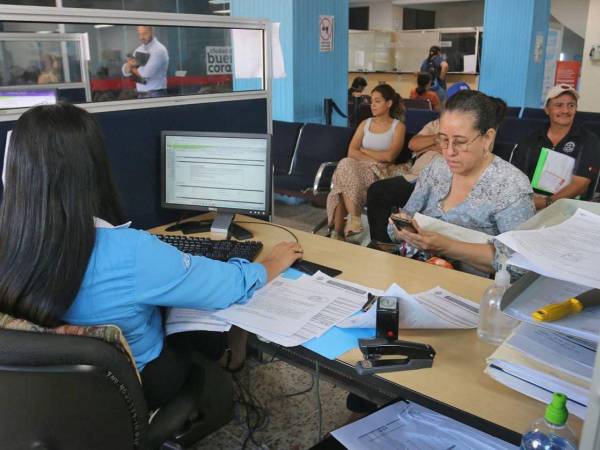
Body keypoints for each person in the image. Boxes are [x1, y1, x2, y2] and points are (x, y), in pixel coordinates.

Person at [0, 103, 302, 409]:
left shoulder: (11, 244)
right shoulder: (130, 252)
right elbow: (227, 286)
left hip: (48, 394)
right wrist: (273, 263)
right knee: (198, 322)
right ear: (93, 168)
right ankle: (229, 367)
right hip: (136, 385)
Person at [388, 90, 535, 275]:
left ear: (487, 138)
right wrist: (401, 228)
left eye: (460, 142)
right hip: (419, 274)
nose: (449, 151)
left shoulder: (510, 185)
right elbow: (402, 221)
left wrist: (447, 246)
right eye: (443, 139)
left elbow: (519, 264)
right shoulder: (437, 168)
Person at [326, 84, 406, 240]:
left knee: (342, 182)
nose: (372, 105)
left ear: (388, 103)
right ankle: (353, 220)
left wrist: (364, 150)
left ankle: (338, 233)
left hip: (381, 172)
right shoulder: (365, 124)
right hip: (358, 169)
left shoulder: (398, 127)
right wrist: (374, 156)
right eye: (371, 101)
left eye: (377, 101)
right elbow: (351, 152)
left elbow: (389, 157)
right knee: (346, 164)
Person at [512, 84, 600, 209]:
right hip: (532, 200)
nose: (565, 110)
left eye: (571, 105)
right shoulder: (532, 139)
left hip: (570, 204)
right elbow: (517, 176)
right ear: (547, 109)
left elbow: (581, 184)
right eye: (559, 105)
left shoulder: (589, 140)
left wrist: (547, 202)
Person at [367, 119, 442, 245]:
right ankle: (381, 245)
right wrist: (437, 139)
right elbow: (413, 144)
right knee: (378, 190)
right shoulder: (437, 124)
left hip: (440, 179)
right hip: (415, 176)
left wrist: (431, 145)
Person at [122, 25, 169, 98]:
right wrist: (129, 65)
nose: (141, 37)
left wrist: (131, 67)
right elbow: (125, 72)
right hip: (141, 93)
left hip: (156, 93)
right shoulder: (139, 50)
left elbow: (145, 74)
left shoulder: (159, 50)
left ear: (152, 32)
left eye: (144, 34)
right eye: (139, 34)